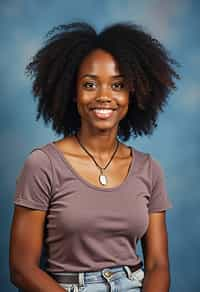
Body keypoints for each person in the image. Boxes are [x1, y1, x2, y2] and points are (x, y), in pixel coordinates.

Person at [9, 21, 179, 292]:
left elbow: (158, 265)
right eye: (89, 84)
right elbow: (22, 269)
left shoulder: (149, 169)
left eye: (118, 85)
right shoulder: (43, 165)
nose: (103, 96)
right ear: (72, 93)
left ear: (132, 93)